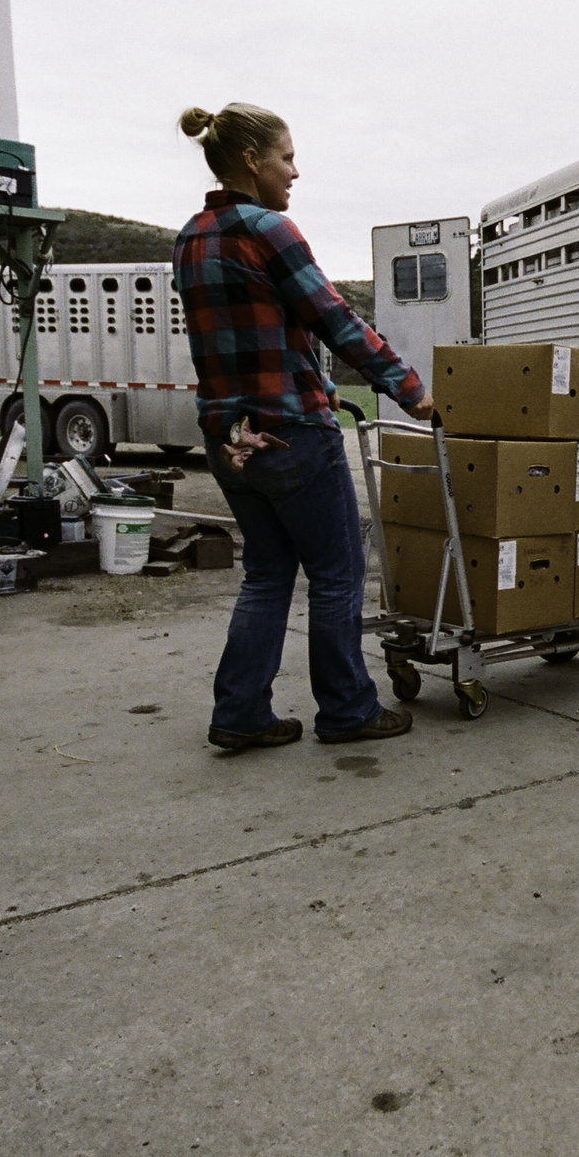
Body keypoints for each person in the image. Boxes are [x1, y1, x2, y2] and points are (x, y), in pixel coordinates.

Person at [174, 102, 432, 749]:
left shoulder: (190, 236)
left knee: (265, 572)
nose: (295, 172)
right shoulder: (269, 230)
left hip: (228, 439)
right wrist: (407, 390)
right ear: (249, 161)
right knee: (338, 571)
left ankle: (239, 713)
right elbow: (336, 321)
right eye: (286, 158)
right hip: (291, 433)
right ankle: (348, 710)